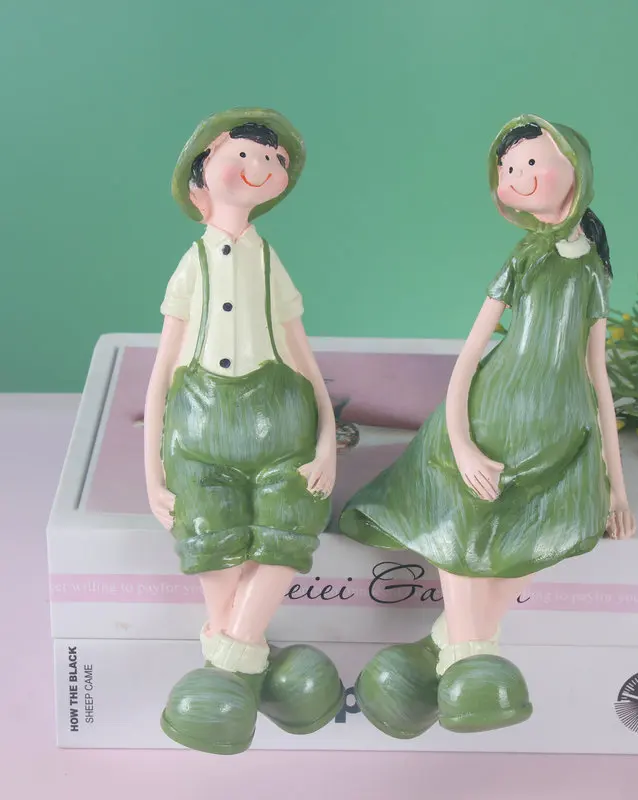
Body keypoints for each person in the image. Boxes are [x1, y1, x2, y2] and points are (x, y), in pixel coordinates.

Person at [338, 114, 636, 738]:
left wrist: (616, 486)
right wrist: (463, 444)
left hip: (560, 431)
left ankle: (446, 650)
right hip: (490, 418)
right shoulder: (524, 258)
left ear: (575, 170)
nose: (517, 175)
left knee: (543, 533)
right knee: (465, 522)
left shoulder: (591, 271)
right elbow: (470, 355)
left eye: (530, 162)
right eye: (507, 168)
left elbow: (599, 377)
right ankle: (475, 669)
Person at [143, 108, 343, 754]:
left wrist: (326, 444)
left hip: (280, 423)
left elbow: (304, 355)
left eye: (274, 160)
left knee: (289, 531)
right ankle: (249, 671)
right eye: (246, 154)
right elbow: (161, 372)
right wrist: (153, 476)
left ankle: (224, 680)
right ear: (201, 172)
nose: (261, 165)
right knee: (214, 544)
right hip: (199, 430)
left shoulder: (268, 261)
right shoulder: (192, 264)